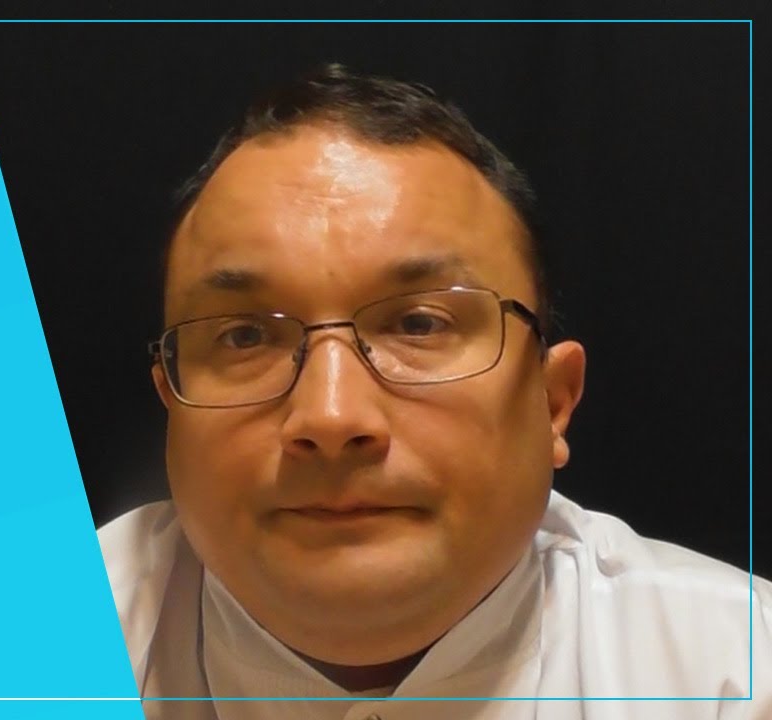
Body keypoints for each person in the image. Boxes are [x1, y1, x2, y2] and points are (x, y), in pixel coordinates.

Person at [96, 64, 771, 719]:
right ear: (170, 402)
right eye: (245, 337)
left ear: (552, 402)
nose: (331, 416)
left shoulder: (736, 675)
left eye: (419, 324)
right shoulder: (40, 644)